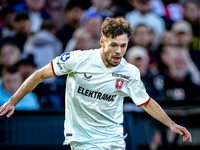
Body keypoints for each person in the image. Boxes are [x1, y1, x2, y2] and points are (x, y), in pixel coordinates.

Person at [0, 17, 192, 149]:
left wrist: (171, 124)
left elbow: (146, 102)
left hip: (114, 139)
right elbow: (40, 75)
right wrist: (14, 100)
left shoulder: (129, 73)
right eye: (113, 45)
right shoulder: (77, 60)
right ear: (102, 42)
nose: (119, 51)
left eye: (123, 45)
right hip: (83, 139)